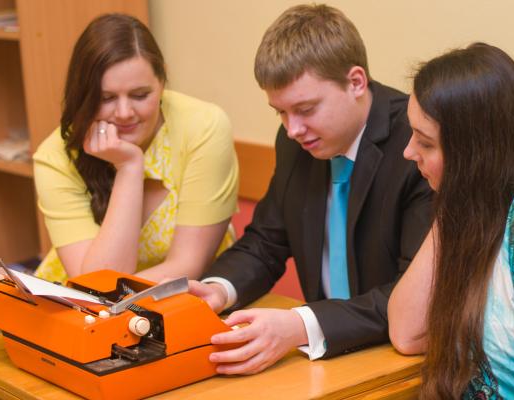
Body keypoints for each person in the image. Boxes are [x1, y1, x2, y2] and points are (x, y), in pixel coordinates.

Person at [188, 4, 433, 375]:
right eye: (281, 112)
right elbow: (266, 242)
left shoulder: (415, 148)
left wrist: (301, 325)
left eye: (305, 109)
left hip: (402, 359)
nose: (292, 129)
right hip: (328, 358)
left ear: (356, 82)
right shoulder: (298, 143)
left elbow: (410, 296)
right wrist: (220, 289)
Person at [388, 43, 514, 399]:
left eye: (426, 143)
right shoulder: (487, 196)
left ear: (476, 154)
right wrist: (458, 194)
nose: (408, 152)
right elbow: (408, 332)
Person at [33, 14, 238, 283]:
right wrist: (129, 168)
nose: (124, 112)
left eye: (140, 95)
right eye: (106, 98)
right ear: (83, 94)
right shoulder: (54, 156)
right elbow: (97, 283)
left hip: (179, 295)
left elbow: (188, 264)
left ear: (162, 82)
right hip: (84, 300)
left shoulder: (203, 127)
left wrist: (118, 297)